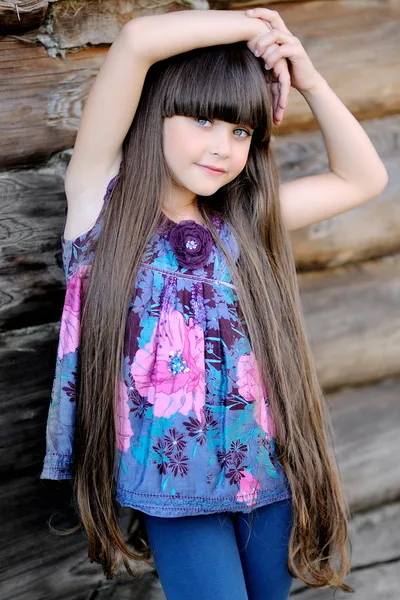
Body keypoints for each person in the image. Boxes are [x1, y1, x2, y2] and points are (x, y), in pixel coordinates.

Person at [39, 7, 388, 599]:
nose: (223, 147)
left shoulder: (241, 223)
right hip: (176, 486)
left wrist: (309, 79)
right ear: (156, 115)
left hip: (265, 470)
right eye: (203, 119)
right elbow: (137, 41)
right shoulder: (101, 204)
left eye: (241, 132)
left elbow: (363, 178)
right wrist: (254, 28)